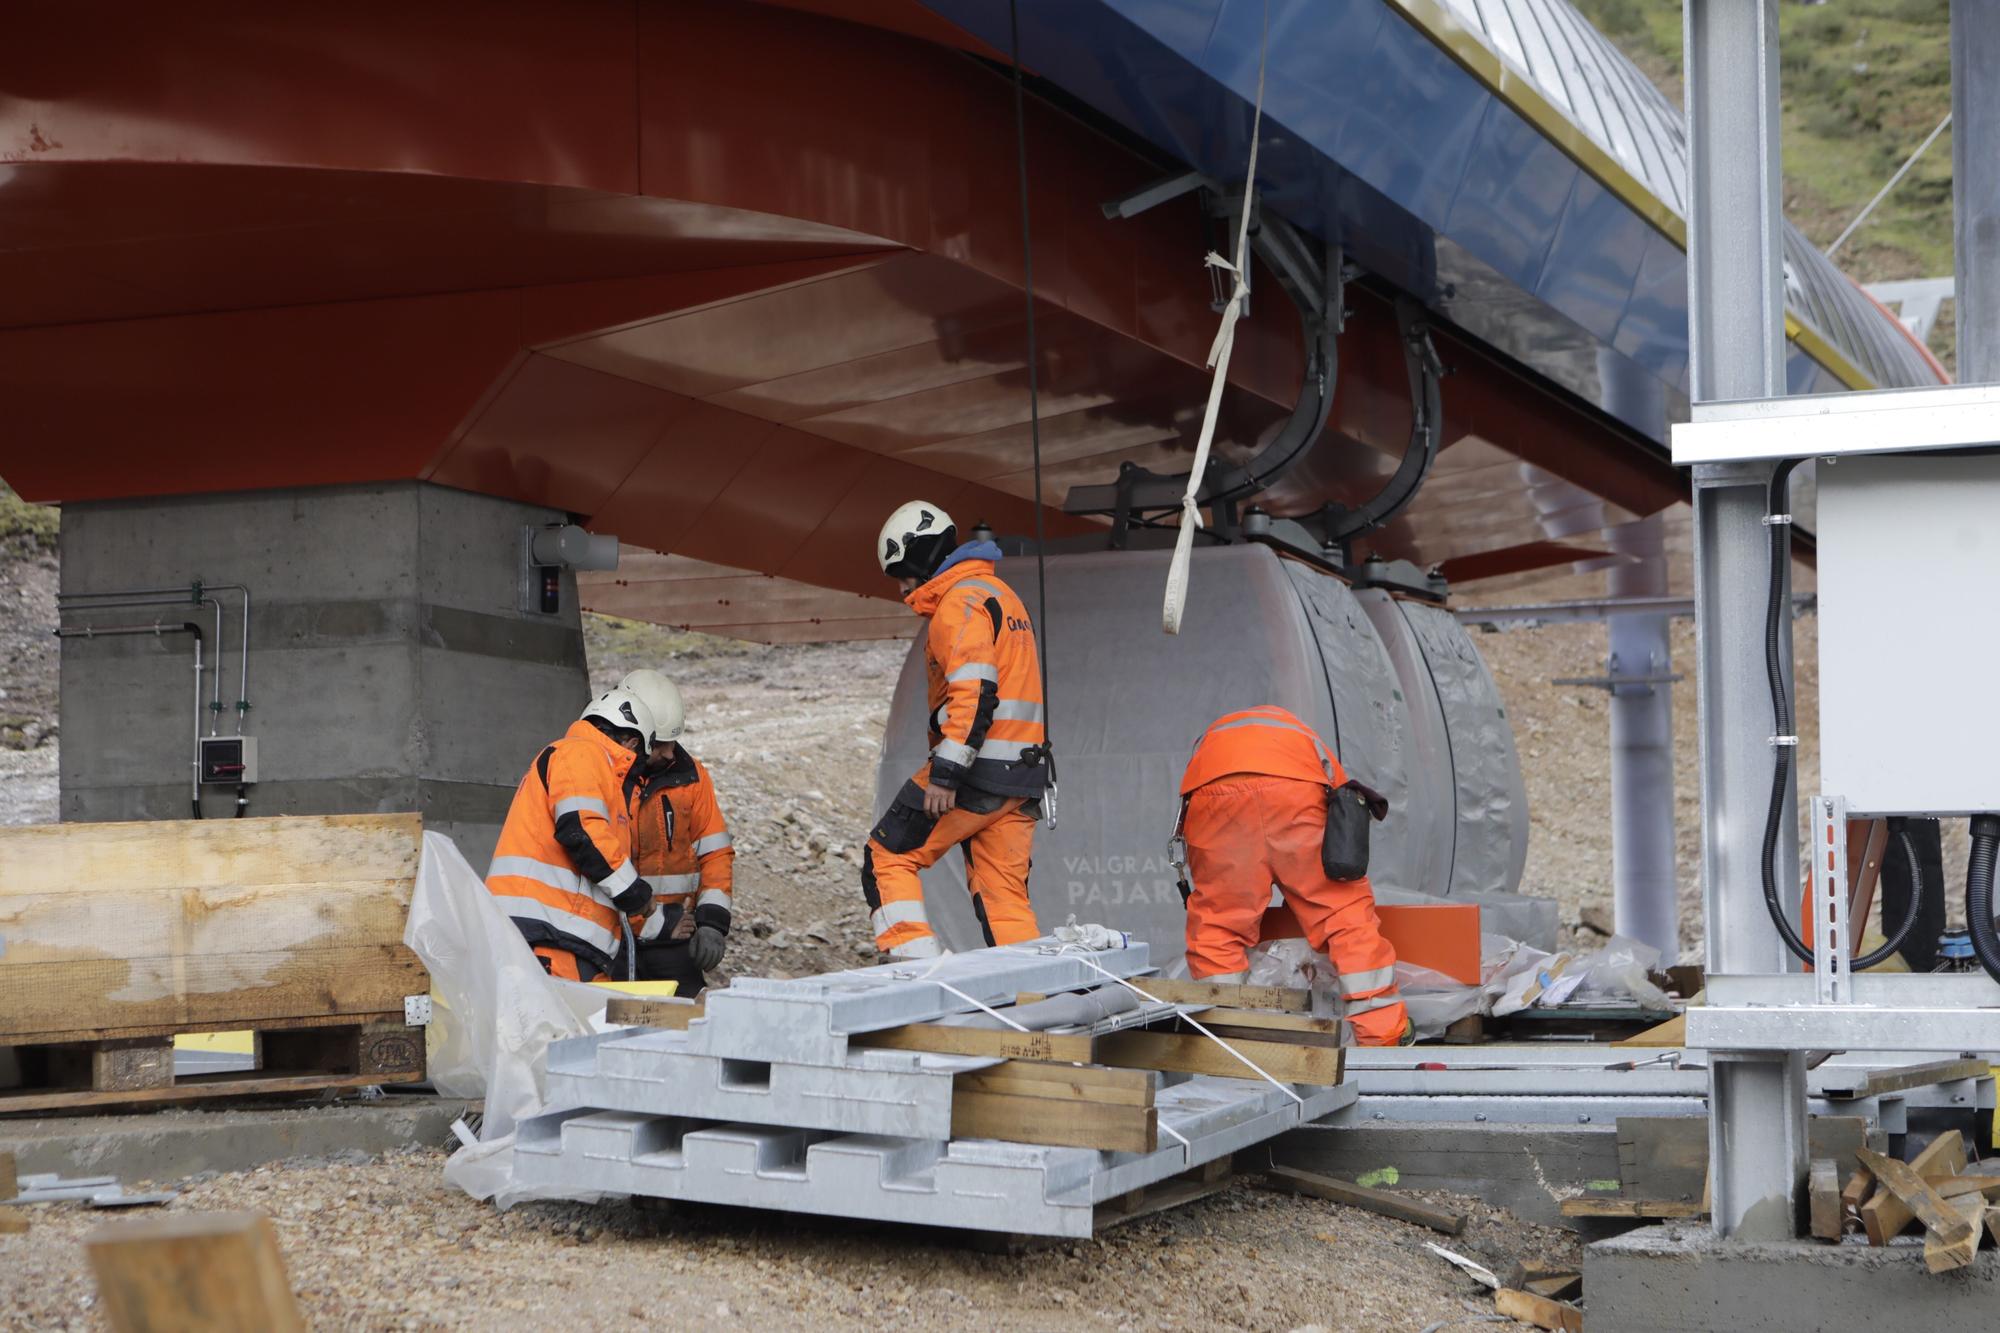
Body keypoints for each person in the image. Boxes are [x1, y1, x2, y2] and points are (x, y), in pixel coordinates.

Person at [862, 500, 1048, 959]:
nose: (904, 589)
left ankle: (917, 970)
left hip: (974, 770)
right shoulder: (1001, 595)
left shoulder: (958, 604)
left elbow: (975, 692)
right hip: (1022, 776)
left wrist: (946, 774)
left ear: (921, 560)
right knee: (1004, 899)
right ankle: (1038, 999)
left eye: (904, 575)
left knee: (886, 856)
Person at [1174, 705, 1411, 1045]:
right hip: (1296, 789)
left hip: (1213, 794)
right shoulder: (1301, 736)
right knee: (1344, 917)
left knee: (1218, 924)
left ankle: (1226, 1042)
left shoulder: (1215, 739)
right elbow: (1344, 810)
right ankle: (1382, 1034)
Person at [486, 687, 661, 982]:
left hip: (561, 939)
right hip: (549, 936)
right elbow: (582, 830)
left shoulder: (583, 761)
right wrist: (634, 893)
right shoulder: (582, 752)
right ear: (631, 743)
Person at [620, 668, 733, 998]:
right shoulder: (602, 777)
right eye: (661, 744)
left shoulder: (693, 777)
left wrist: (712, 923)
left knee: (686, 1028)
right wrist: (652, 922)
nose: (671, 752)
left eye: (673, 742)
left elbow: (715, 853)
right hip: (617, 936)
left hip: (673, 939)